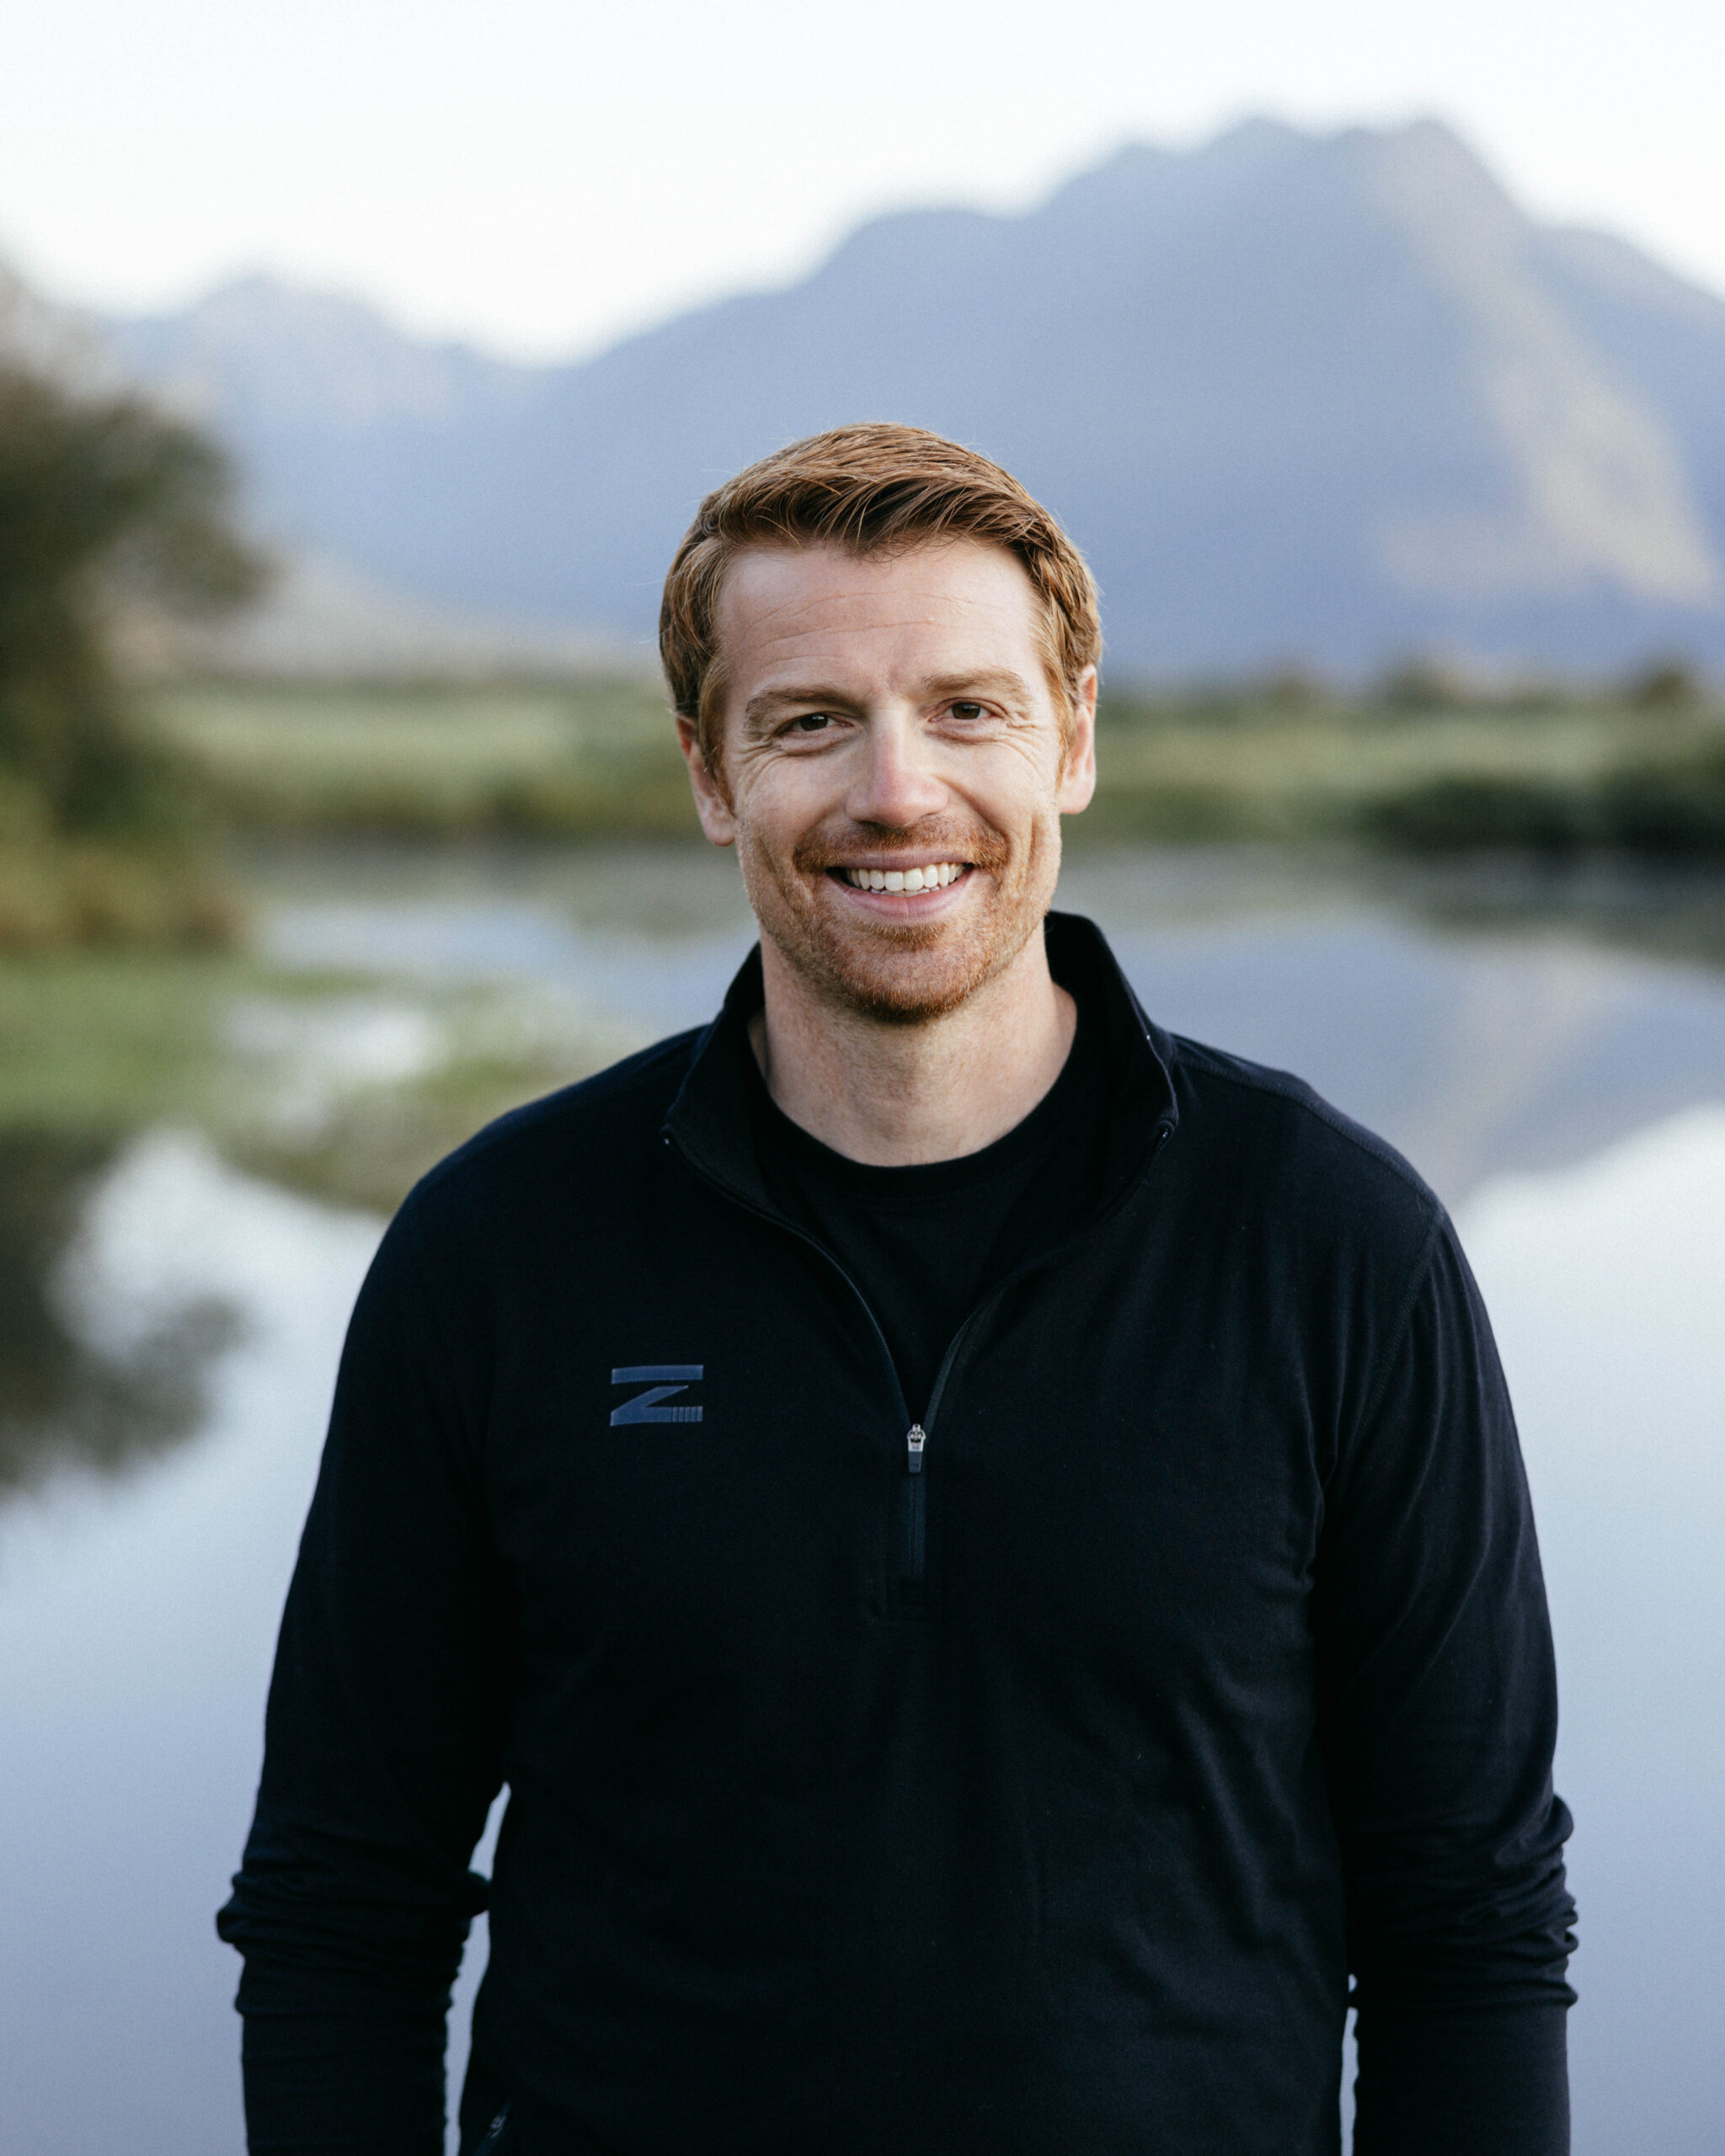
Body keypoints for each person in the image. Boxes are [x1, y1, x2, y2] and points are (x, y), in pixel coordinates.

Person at [218, 424, 1576, 2155]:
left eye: (964, 707)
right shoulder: (496, 1248)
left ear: (1070, 738)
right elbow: (344, 1899)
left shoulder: (1332, 1245)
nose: (892, 790)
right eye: (806, 721)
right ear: (711, 775)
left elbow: (1468, 1920)